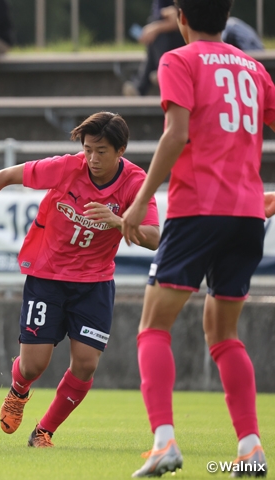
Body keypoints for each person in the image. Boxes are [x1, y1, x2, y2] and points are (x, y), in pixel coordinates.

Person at [0, 112, 160, 448]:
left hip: (94, 284)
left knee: (85, 365)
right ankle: (19, 390)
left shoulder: (136, 183)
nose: (92, 158)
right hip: (47, 276)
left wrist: (118, 220)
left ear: (121, 150)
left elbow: (154, 237)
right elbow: (6, 175)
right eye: (88, 149)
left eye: (102, 151)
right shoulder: (68, 167)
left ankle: (44, 432)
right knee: (34, 364)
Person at [120, 0, 275, 476]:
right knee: (224, 333)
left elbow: (176, 134)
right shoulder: (255, 68)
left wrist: (140, 198)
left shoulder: (178, 59)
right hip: (247, 216)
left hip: (197, 210)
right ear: (226, 19)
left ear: (181, 17)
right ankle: (250, 450)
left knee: (153, 325)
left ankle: (164, 441)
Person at [122, 0, 185, 97]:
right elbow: (157, 12)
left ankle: (141, 85)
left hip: (189, 35)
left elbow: (181, 22)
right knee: (155, 27)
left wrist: (156, 28)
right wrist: (166, 12)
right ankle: (160, 70)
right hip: (172, 39)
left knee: (156, 32)